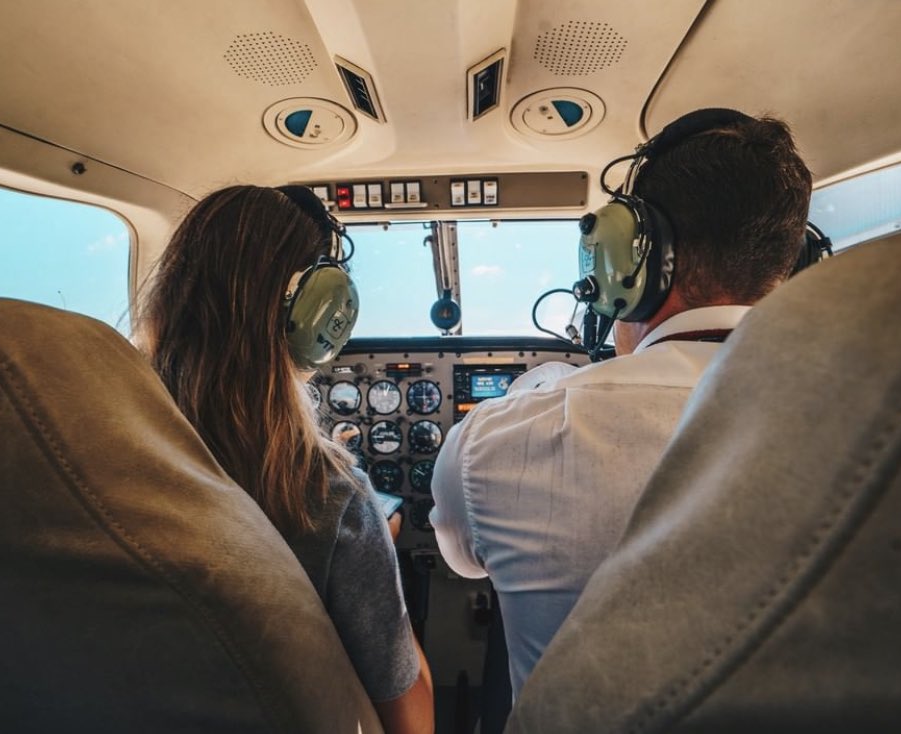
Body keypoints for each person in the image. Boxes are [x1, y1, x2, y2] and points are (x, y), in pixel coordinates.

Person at [430, 109, 814, 698]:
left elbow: (461, 563)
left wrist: (542, 390)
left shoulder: (493, 441)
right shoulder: (887, 427)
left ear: (625, 262)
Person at [136, 184, 433, 733]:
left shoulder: (104, 448)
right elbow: (408, 712)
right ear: (316, 316)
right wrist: (375, 563)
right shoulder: (330, 499)